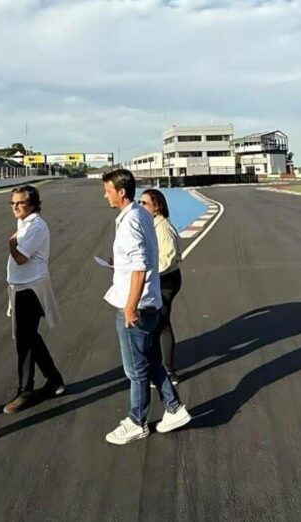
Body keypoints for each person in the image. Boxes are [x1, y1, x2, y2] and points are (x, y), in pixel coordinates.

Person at [101, 169, 191, 445]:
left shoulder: (130, 221)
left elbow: (139, 267)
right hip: (148, 300)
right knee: (149, 358)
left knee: (135, 369)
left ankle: (137, 421)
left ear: (121, 192)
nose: (105, 195)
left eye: (108, 190)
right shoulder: (141, 214)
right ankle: (174, 408)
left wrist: (130, 308)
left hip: (135, 305)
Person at [4, 185, 65, 414]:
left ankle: (26, 391)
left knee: (25, 341)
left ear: (33, 204)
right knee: (30, 338)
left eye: (21, 203)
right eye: (13, 203)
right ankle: (54, 380)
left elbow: (20, 258)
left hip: (31, 289)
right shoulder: (25, 223)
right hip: (22, 287)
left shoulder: (35, 226)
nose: (16, 207)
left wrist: (11, 243)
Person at [139, 189, 182, 385]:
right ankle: (160, 367)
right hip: (160, 278)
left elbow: (167, 259)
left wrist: (145, 270)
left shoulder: (162, 228)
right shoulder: (152, 225)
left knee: (162, 323)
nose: (141, 206)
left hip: (166, 280)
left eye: (145, 203)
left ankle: (167, 371)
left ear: (156, 206)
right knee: (158, 323)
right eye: (140, 202)